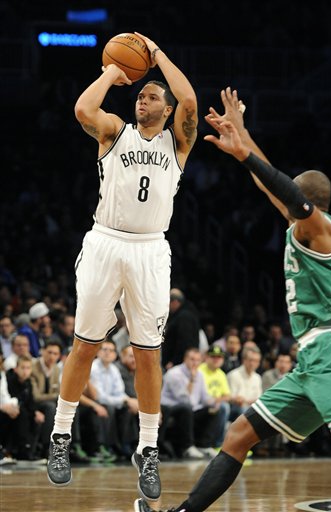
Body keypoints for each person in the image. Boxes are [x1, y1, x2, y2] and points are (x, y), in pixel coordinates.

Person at [134, 87, 331, 512]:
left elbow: (285, 190)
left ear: (306, 202)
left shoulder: (323, 231)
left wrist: (243, 154)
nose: (281, 198)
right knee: (239, 434)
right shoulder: (301, 229)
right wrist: (241, 134)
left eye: (291, 196)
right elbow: (269, 181)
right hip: (309, 361)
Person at [47, 31, 198, 504]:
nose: (142, 100)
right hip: (105, 243)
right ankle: (60, 436)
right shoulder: (114, 130)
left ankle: (147, 448)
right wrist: (115, 71)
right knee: (85, 344)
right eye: (140, 95)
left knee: (148, 353)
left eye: (151, 96)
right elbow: (82, 111)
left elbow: (190, 98)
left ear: (167, 110)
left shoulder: (179, 141)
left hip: (151, 251)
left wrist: (155, 57)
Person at [162, 288, 201, 369]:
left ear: (175, 302)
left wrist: (174, 361)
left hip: (178, 364)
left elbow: (185, 342)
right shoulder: (182, 315)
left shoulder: (184, 317)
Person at [227, 346, 262, 421]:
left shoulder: (257, 377)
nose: (252, 363)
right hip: (235, 409)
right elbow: (231, 397)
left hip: (251, 408)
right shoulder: (234, 374)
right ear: (244, 360)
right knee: (244, 410)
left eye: (256, 361)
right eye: (250, 360)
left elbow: (258, 398)